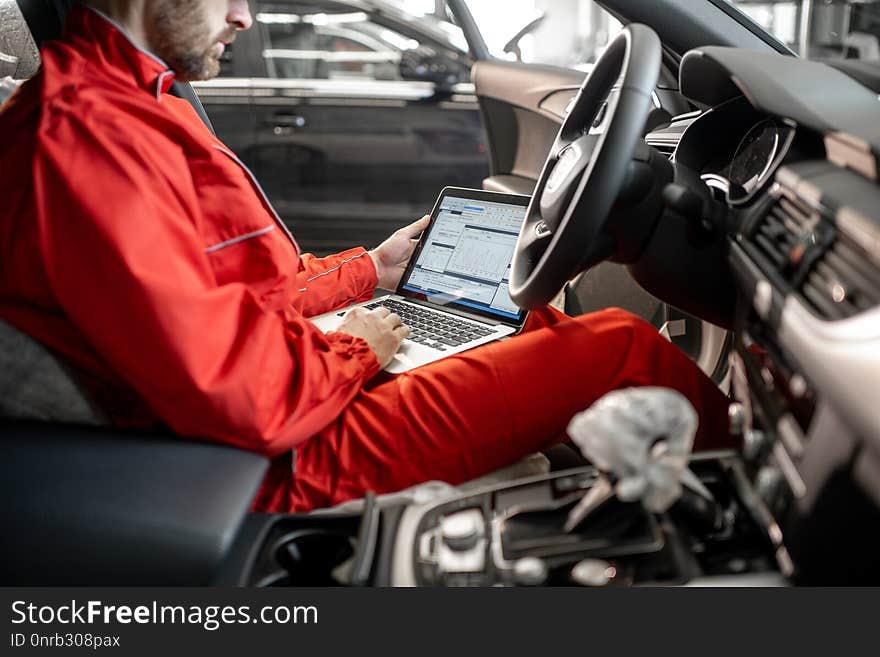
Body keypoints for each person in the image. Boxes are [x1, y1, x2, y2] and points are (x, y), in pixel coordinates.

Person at [0, 0, 735, 512]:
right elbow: (238, 394)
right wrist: (357, 345)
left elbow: (227, 300)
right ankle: (760, 524)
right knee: (620, 348)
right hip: (274, 462)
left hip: (271, 411)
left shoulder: (122, 106)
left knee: (539, 331)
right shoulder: (87, 141)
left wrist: (372, 274)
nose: (243, 17)